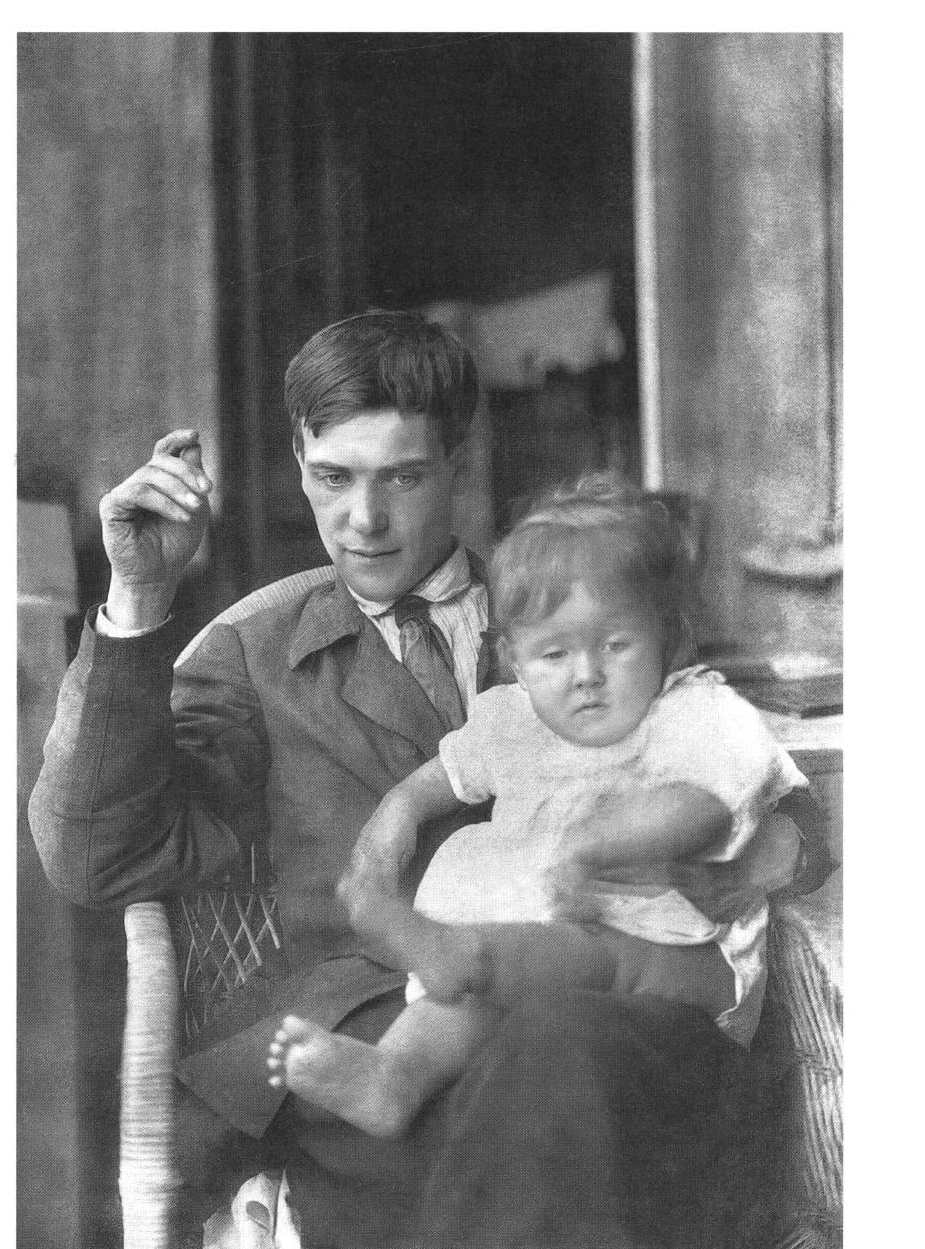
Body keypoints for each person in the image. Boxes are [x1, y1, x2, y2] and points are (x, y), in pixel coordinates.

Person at [30, 309, 823, 1249]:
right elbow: (97, 857)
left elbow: (781, 808)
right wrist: (139, 598)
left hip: (622, 1025)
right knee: (545, 1071)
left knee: (573, 1049)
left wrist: (747, 863)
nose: (364, 519)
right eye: (334, 478)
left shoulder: (575, 607)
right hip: (387, 1055)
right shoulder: (258, 655)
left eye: (402, 477)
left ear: (457, 461)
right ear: (298, 462)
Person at [265, 475, 807, 1138]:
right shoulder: (513, 721)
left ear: (668, 638)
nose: (587, 674)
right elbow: (444, 775)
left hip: (682, 959)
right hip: (539, 949)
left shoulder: (691, 711)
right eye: (554, 653)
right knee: (468, 998)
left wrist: (598, 844)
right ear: (515, 661)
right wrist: (397, 812)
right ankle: (392, 1078)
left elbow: (707, 805)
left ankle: (460, 954)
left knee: (580, 958)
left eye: (617, 645)